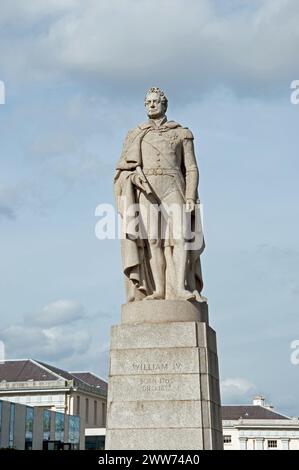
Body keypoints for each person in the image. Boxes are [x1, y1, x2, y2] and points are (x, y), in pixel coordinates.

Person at [114, 87, 205, 302]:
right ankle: (159, 291)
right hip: (147, 190)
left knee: (181, 236)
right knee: (152, 239)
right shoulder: (135, 134)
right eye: (148, 102)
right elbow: (122, 169)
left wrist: (190, 196)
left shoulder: (181, 133)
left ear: (164, 104)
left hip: (174, 186)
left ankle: (180, 287)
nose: (151, 105)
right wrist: (132, 178)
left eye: (155, 101)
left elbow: (191, 167)